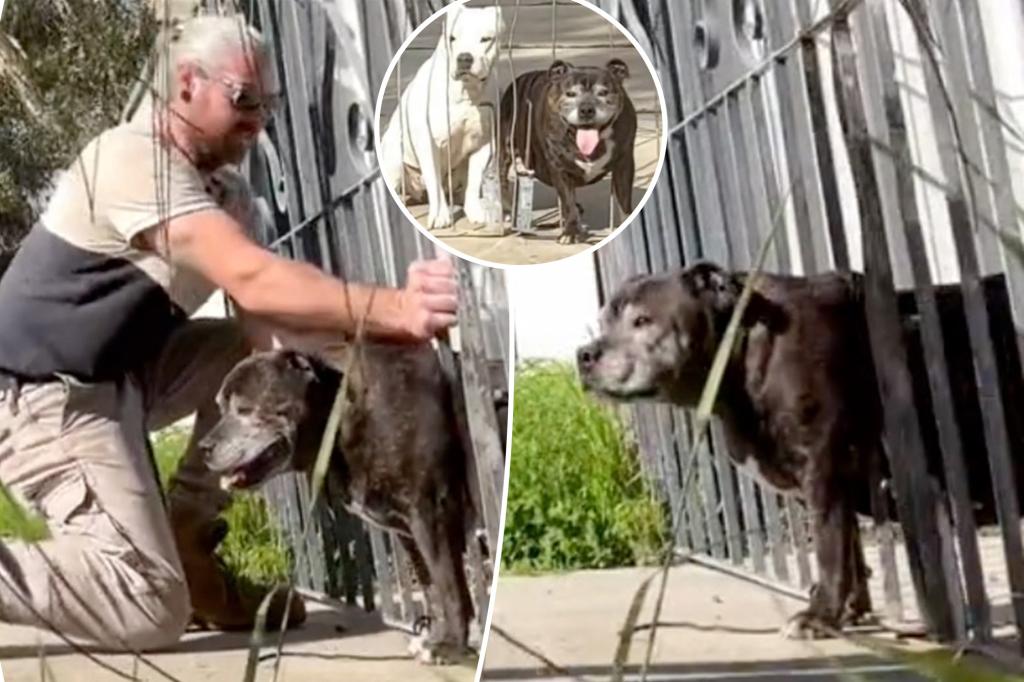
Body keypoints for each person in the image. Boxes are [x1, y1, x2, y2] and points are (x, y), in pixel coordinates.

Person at [0, 15, 458, 650]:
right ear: (187, 84)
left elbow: (265, 335)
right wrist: (397, 307)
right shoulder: (130, 160)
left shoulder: (229, 195)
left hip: (121, 380)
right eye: (244, 100)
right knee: (149, 610)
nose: (257, 121)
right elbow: (252, 277)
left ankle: (187, 541)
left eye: (267, 106)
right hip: (43, 395)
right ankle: (149, 575)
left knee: (248, 363)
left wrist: (372, 383)